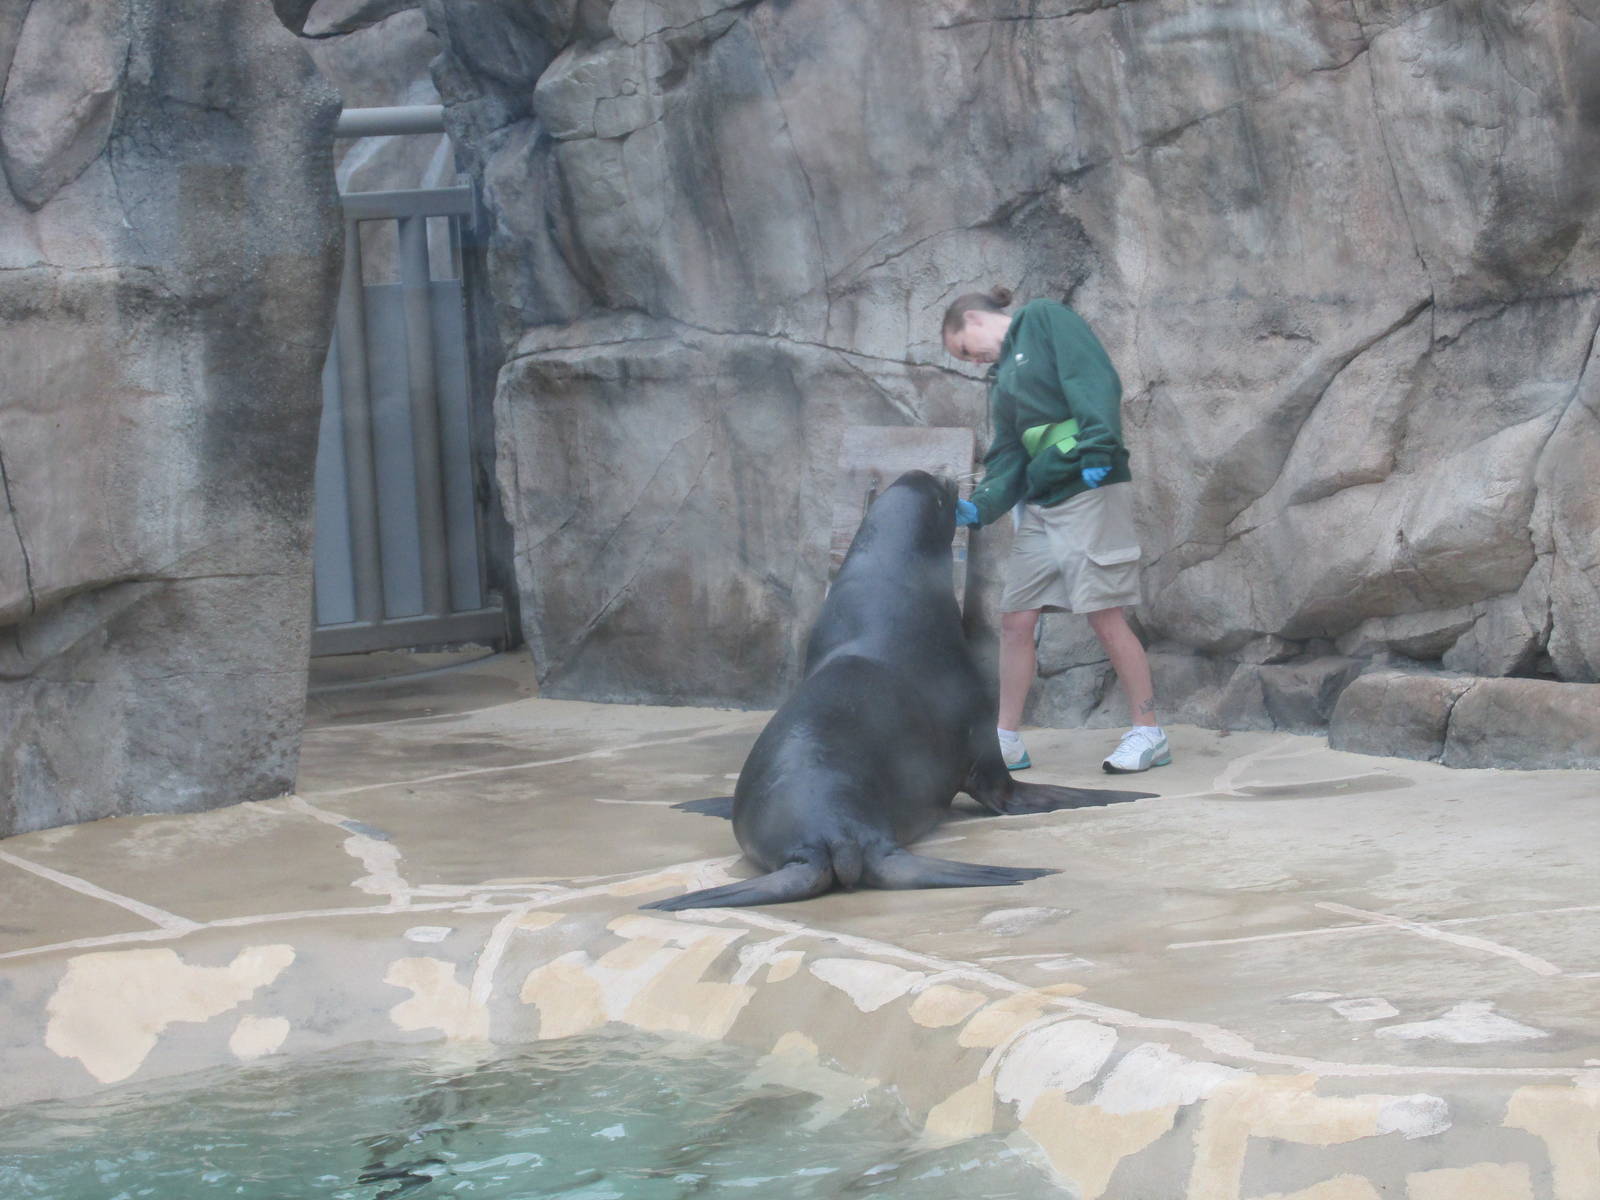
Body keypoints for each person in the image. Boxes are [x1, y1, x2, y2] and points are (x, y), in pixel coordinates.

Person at [942, 286, 1169, 775]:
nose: (970, 360)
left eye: (964, 348)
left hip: (1089, 488)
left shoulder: (1044, 320)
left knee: (1104, 615)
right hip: (1042, 504)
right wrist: (980, 507)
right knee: (1015, 620)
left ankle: (1148, 732)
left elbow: (1092, 378)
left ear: (976, 319)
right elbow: (1008, 453)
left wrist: (1098, 450)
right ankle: (1006, 740)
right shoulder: (1001, 380)